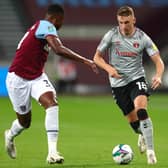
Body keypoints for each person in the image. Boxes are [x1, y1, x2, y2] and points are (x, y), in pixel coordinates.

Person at [5, 4, 98, 164]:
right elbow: (58, 49)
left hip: (37, 77)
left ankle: (52, 152)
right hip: (17, 79)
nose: (61, 25)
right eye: (61, 21)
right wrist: (85, 60)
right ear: (56, 19)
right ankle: (10, 135)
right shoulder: (46, 25)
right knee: (24, 122)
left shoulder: (40, 27)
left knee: (52, 104)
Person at [93, 6, 164, 165]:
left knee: (141, 109)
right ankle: (141, 133)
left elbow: (158, 60)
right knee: (134, 124)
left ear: (133, 20)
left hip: (136, 78)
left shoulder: (143, 38)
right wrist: (109, 68)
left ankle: (151, 153)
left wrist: (158, 75)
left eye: (126, 22)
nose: (124, 26)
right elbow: (97, 57)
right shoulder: (111, 35)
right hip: (118, 85)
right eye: (120, 22)